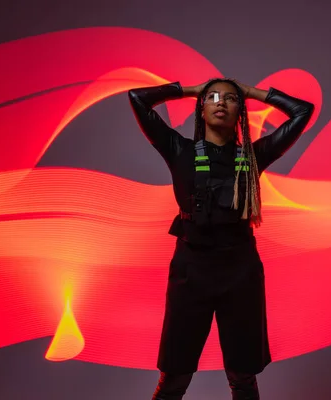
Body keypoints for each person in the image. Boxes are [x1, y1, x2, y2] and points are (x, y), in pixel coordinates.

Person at [128, 78, 314, 400]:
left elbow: (302, 112)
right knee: (174, 377)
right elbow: (137, 99)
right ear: (202, 107)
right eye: (212, 97)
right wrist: (189, 90)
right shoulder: (179, 149)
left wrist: (252, 93)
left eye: (229, 98)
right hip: (191, 271)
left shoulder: (254, 156)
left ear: (239, 111)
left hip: (240, 272)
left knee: (243, 378)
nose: (220, 102)